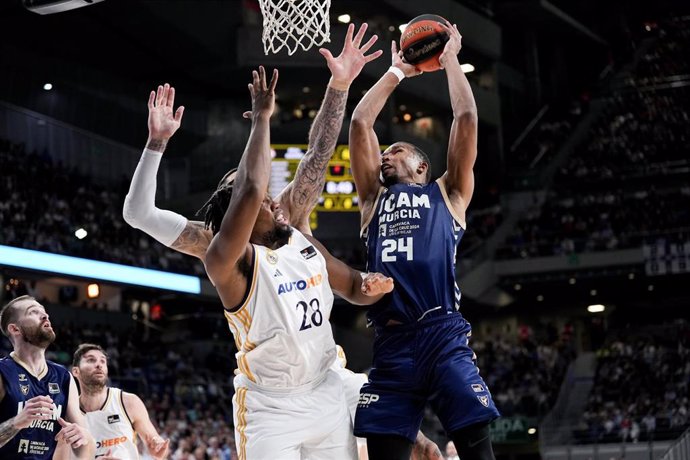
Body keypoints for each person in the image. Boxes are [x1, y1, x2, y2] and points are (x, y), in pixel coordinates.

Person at [123, 25, 441, 460]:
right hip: (271, 406)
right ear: (233, 211)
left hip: (327, 382)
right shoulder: (220, 251)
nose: (272, 197)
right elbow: (141, 213)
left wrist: (339, 85)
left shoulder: (290, 223)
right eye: (255, 196)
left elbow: (317, 158)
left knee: (414, 436)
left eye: (270, 195)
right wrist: (158, 144)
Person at [348, 22, 500, 460]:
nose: (385, 155)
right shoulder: (372, 199)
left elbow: (466, 118)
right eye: (384, 153)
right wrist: (395, 71)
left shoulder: (448, 194)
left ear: (421, 167)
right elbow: (361, 121)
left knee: (477, 450)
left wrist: (450, 59)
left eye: (396, 150)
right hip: (392, 345)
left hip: (441, 334)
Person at [0, 295, 95, 459]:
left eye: (44, 312)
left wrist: (82, 437)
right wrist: (17, 422)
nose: (45, 316)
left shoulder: (63, 376)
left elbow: (87, 449)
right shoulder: (3, 371)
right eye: (33, 312)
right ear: (15, 329)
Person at [70, 343, 169, 460]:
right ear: (76, 371)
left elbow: (156, 445)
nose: (99, 365)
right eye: (91, 360)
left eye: (103, 361)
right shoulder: (68, 410)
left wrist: (158, 448)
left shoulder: (128, 402)